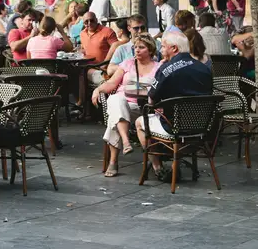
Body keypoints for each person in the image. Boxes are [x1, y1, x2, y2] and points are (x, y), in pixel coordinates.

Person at [135, 31, 212, 181]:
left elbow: (151, 100)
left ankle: (157, 167)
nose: (161, 50)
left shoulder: (166, 69)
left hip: (174, 127)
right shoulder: (204, 68)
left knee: (140, 123)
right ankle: (174, 163)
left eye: (163, 47)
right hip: (202, 126)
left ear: (174, 48)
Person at [91, 34, 161, 178]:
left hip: (143, 108)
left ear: (150, 50)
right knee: (116, 100)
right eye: (135, 47)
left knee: (114, 117)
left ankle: (114, 161)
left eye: (141, 47)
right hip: (123, 103)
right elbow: (112, 83)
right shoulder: (127, 63)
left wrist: (136, 89)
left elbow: (158, 90)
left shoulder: (158, 67)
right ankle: (126, 141)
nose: (137, 50)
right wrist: (98, 89)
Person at [80, 12, 118, 84]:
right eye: (86, 22)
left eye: (92, 20)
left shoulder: (107, 31)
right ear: (83, 23)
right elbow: (84, 49)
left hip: (104, 68)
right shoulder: (82, 34)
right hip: (88, 66)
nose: (89, 23)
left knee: (82, 74)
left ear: (96, 20)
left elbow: (116, 48)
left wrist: (104, 64)